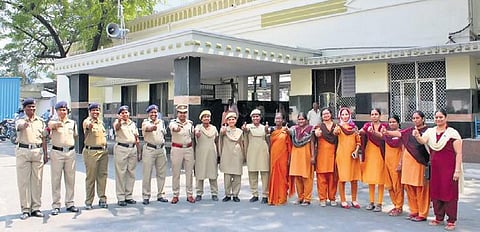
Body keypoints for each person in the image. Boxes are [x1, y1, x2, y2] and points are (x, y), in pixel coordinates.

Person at [414, 109, 462, 231]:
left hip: (449, 169)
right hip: (436, 168)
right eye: (436, 117)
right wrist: (417, 136)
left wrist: (457, 170)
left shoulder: (452, 134)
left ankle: (451, 220)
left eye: (441, 117)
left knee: (449, 193)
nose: (438, 119)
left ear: (446, 118)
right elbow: (423, 141)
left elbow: (459, 153)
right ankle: (438, 217)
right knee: (436, 192)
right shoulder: (430, 132)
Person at [382, 110, 430, 222]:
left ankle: (422, 213)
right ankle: (414, 211)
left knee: (420, 188)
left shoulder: (428, 131)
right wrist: (387, 132)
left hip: (420, 162)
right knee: (409, 187)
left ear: (423, 119)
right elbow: (399, 133)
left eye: (417, 118)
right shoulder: (410, 131)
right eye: (413, 118)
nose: (415, 120)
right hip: (408, 164)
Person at [15, 98, 48, 220]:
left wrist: (45, 154)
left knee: (37, 180)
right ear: (24, 109)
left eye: (33, 107)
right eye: (29, 107)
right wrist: (25, 124)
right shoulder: (20, 120)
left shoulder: (40, 121)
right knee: (23, 182)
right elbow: (19, 127)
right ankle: (25, 209)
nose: (32, 109)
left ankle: (36, 208)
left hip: (37, 152)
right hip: (23, 152)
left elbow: (44, 138)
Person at [48, 101, 79, 215]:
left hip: (70, 152)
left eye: (64, 110)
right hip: (57, 152)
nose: (63, 112)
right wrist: (57, 124)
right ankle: (56, 205)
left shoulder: (72, 123)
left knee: (70, 179)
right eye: (60, 110)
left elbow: (75, 136)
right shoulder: (53, 122)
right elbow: (50, 126)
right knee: (56, 179)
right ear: (57, 111)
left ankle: (70, 203)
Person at [360, 108, 387, 212]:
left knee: (380, 178)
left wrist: (374, 132)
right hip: (370, 152)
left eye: (376, 114)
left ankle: (379, 203)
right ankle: (371, 201)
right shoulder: (367, 125)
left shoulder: (384, 126)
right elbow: (362, 131)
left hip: (380, 153)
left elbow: (383, 137)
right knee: (371, 178)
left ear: (380, 116)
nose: (374, 116)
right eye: (372, 114)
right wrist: (361, 131)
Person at [333, 107, 361, 209]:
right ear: (340, 116)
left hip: (353, 156)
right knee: (343, 178)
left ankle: (354, 200)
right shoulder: (339, 127)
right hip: (342, 155)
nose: (345, 116)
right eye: (343, 114)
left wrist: (356, 151)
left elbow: (358, 141)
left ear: (350, 115)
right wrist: (335, 130)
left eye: (346, 114)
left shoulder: (354, 128)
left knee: (354, 178)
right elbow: (335, 133)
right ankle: (343, 200)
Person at [113, 105, 141, 206]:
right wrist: (120, 121)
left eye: (126, 112)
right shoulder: (117, 122)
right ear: (119, 115)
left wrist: (139, 152)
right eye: (122, 113)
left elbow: (136, 138)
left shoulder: (132, 124)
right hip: (122, 149)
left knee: (131, 173)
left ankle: (129, 195)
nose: (125, 114)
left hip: (132, 149)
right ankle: (121, 197)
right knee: (121, 173)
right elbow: (117, 128)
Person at [82, 102, 109, 210]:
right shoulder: (87, 121)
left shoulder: (101, 123)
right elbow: (88, 126)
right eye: (93, 110)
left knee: (102, 176)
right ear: (90, 111)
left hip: (103, 152)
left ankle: (102, 199)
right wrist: (90, 125)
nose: (95, 112)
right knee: (91, 177)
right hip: (91, 153)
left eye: (97, 110)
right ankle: (89, 201)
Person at [141, 104, 169, 205]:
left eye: (155, 112)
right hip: (150, 149)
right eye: (152, 112)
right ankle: (146, 195)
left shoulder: (161, 122)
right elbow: (148, 128)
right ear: (148, 114)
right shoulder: (145, 122)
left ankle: (161, 194)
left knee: (161, 173)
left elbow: (164, 133)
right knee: (147, 173)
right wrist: (152, 127)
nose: (154, 114)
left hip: (161, 149)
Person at [169, 104, 195, 204]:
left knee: (189, 172)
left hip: (188, 148)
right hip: (177, 148)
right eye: (181, 113)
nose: (182, 115)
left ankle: (189, 194)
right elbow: (173, 128)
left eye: (184, 113)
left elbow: (192, 135)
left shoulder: (190, 123)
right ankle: (175, 195)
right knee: (176, 173)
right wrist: (176, 129)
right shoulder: (173, 123)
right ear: (177, 113)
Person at [243, 109, 270, 204]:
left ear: (260, 117)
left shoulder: (264, 127)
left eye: (257, 116)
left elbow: (269, 139)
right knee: (252, 174)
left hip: (263, 151)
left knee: (265, 174)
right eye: (254, 116)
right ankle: (254, 194)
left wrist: (267, 131)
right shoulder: (248, 127)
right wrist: (244, 129)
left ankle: (265, 195)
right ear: (251, 118)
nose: (255, 118)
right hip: (252, 151)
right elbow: (245, 132)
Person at [289, 112, 315, 206]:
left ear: (306, 120)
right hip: (296, 155)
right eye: (299, 119)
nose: (301, 121)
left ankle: (307, 198)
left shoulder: (310, 129)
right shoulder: (294, 130)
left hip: (306, 154)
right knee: (297, 177)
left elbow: (312, 143)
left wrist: (313, 156)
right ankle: (300, 197)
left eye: (302, 119)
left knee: (306, 177)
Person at [314, 108, 338, 207]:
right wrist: (316, 133)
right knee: (321, 178)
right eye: (324, 114)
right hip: (321, 156)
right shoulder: (319, 127)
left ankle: (332, 198)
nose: (326, 115)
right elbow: (314, 137)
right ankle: (322, 198)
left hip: (333, 154)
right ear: (322, 116)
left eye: (327, 113)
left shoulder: (336, 126)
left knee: (333, 178)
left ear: (331, 114)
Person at [194, 110, 220, 201]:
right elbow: (196, 132)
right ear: (201, 119)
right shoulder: (198, 127)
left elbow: (217, 140)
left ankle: (214, 193)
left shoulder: (214, 128)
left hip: (212, 153)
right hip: (201, 153)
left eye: (208, 117)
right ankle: (199, 193)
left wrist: (218, 153)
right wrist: (196, 133)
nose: (206, 118)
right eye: (204, 117)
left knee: (212, 173)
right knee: (200, 173)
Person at [219, 112, 245, 202]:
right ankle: (227, 194)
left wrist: (243, 155)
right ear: (227, 121)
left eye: (233, 119)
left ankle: (235, 194)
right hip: (227, 154)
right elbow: (220, 141)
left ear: (236, 120)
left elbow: (242, 143)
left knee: (237, 176)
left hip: (237, 154)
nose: (231, 121)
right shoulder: (224, 130)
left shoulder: (239, 131)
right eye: (229, 119)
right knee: (227, 176)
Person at [268, 113, 293, 206]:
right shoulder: (272, 131)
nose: (278, 120)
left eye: (279, 118)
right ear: (274, 120)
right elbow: (269, 144)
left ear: (283, 120)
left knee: (283, 177)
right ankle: (273, 197)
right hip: (274, 157)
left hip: (283, 158)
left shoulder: (285, 131)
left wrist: (289, 159)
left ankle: (282, 197)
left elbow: (289, 146)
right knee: (274, 176)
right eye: (276, 118)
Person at [382, 115, 404, 216]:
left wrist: (400, 163)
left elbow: (404, 150)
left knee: (397, 186)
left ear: (398, 123)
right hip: (387, 163)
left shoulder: (401, 134)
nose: (392, 124)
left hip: (396, 164)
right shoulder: (387, 134)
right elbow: (379, 135)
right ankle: (395, 204)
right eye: (390, 122)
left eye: (394, 122)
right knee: (389, 185)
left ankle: (399, 206)